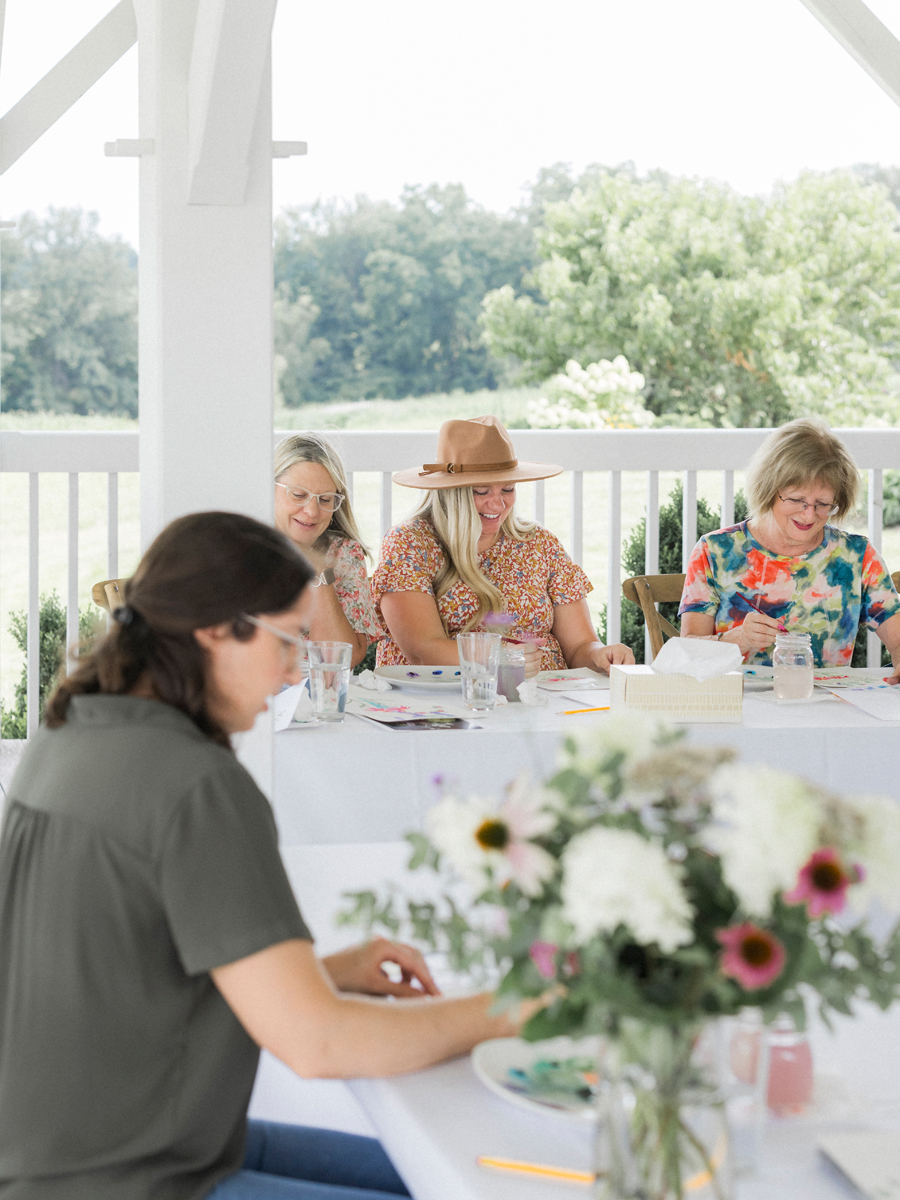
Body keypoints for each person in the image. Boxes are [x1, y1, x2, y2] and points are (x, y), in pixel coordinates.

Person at [0, 512, 530, 1200]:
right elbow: (320, 1045)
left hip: (57, 1153)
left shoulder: (68, 727)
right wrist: (519, 1008)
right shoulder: (195, 784)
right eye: (288, 641)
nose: (293, 673)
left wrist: (329, 972)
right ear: (216, 629)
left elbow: (130, 965)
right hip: (132, 1177)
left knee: (428, 1174)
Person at [372, 415, 634, 676]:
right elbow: (422, 651)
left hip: (543, 700)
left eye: (507, 489)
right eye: (481, 492)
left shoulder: (539, 544)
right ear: (450, 493)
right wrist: (501, 659)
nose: (497, 505)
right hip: (443, 703)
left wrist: (599, 655)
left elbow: (578, 647)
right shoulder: (411, 543)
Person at [679, 417, 900, 681]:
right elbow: (688, 652)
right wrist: (737, 638)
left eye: (823, 504)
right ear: (769, 488)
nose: (809, 516)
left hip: (827, 710)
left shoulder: (856, 555)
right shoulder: (715, 551)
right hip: (736, 705)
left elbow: (897, 637)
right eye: (797, 500)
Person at [274, 433, 381, 668]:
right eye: (299, 495)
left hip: (320, 694)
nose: (312, 511)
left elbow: (343, 660)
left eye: (325, 499)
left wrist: (318, 571)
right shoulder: (239, 548)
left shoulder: (344, 554)